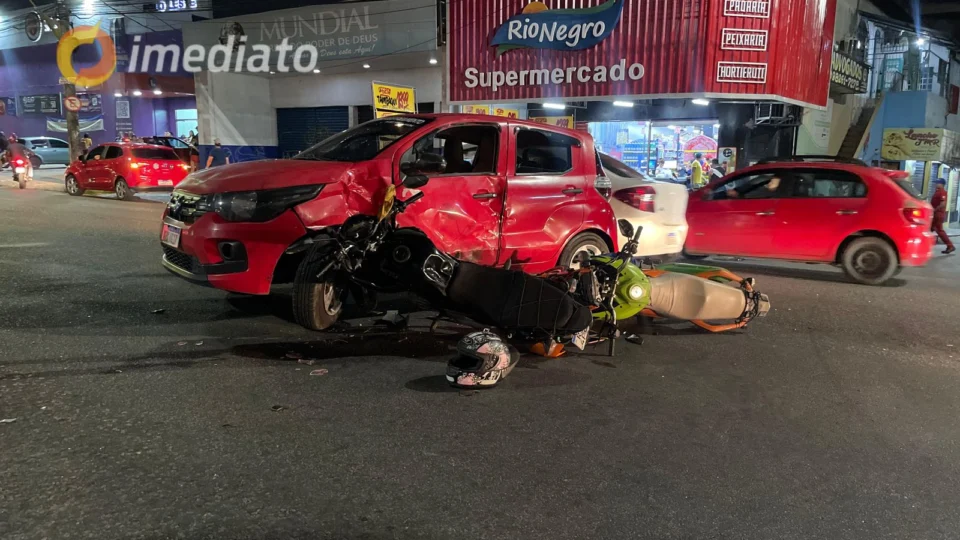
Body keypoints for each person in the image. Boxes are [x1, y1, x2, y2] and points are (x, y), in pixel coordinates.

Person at [931, 178, 955, 255]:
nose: (936, 184)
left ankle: (950, 246)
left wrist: (934, 210)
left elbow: (942, 204)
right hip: (935, 214)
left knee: (939, 231)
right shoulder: (937, 192)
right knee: (929, 229)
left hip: (938, 214)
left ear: (941, 184)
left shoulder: (942, 192)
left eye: (937, 183)